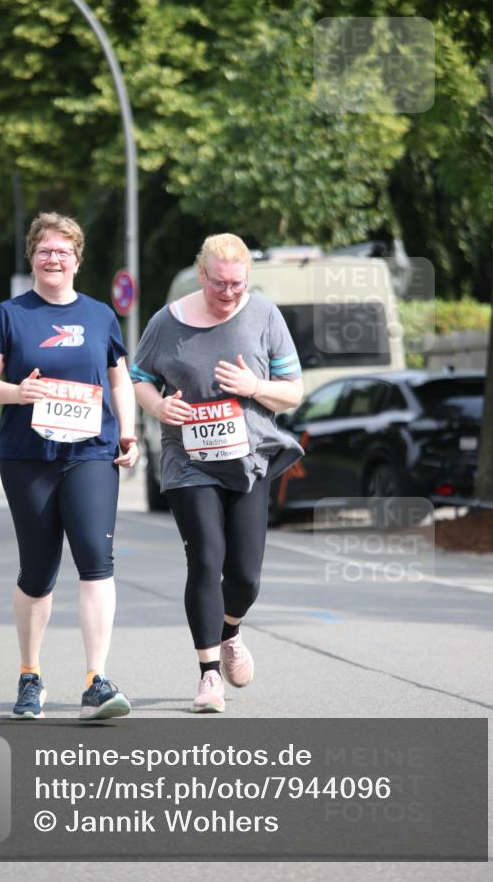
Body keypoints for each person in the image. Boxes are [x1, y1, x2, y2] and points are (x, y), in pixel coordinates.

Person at [0, 212, 138, 720]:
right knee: (38, 572)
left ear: (77, 259)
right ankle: (30, 674)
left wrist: (128, 432)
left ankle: (96, 681)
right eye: (44, 250)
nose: (53, 258)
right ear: (33, 257)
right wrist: (17, 392)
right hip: (29, 457)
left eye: (62, 251)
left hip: (90, 453)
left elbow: (119, 380)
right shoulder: (10, 314)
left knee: (96, 560)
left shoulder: (99, 315)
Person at [131, 233, 303, 713]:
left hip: (249, 459)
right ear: (202, 274)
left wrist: (254, 385)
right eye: (220, 283)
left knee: (245, 575)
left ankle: (231, 632)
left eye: (238, 284)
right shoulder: (168, 322)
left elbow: (294, 391)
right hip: (189, 460)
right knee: (206, 558)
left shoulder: (265, 315)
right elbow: (139, 378)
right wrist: (159, 406)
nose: (229, 293)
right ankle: (208, 675)